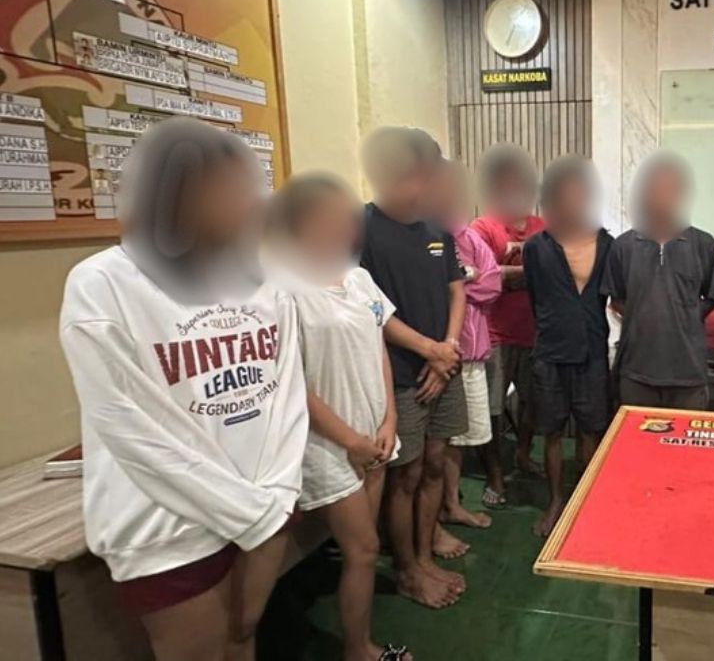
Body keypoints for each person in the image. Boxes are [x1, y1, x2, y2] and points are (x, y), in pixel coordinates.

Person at [58, 118, 308, 661]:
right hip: (169, 527)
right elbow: (132, 429)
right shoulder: (103, 284)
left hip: (263, 509)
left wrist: (274, 503)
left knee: (243, 642)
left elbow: (287, 401)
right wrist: (254, 515)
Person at [264, 174, 411, 661]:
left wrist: (389, 419)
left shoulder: (358, 277)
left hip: (374, 432)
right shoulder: (282, 288)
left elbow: (378, 347)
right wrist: (350, 439)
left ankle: (360, 640)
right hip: (327, 442)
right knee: (362, 548)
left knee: (362, 550)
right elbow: (291, 380)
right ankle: (358, 649)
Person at [357, 126, 468, 609]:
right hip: (400, 372)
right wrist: (428, 350)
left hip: (444, 366)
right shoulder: (361, 229)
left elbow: (456, 291)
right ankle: (407, 569)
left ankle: (424, 555)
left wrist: (447, 349)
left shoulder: (436, 229)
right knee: (406, 474)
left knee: (437, 463)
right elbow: (367, 308)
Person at [523, 156, 613, 537]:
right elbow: (536, 298)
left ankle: (585, 501)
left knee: (592, 430)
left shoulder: (608, 244)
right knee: (553, 431)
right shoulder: (535, 248)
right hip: (550, 353)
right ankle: (556, 500)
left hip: (592, 351)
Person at [603, 151, 714, 409]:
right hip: (636, 370)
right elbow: (617, 299)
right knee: (635, 435)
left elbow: (713, 295)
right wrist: (644, 314)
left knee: (687, 435)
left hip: (688, 373)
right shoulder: (623, 246)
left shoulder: (703, 244)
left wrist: (686, 313)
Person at [471, 144, 545, 508]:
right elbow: (485, 278)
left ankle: (524, 455)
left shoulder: (543, 227)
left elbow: (558, 272)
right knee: (493, 409)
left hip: (536, 334)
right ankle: (496, 476)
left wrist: (510, 274)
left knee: (533, 404)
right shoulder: (482, 228)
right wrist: (530, 273)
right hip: (495, 335)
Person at [430, 160, 501, 531]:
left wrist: (459, 284)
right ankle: (436, 513)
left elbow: (493, 284)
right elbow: (428, 291)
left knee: (459, 436)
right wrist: (461, 280)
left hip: (472, 352)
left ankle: (451, 503)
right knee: (436, 440)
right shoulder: (424, 234)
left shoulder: (468, 236)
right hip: (435, 352)